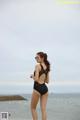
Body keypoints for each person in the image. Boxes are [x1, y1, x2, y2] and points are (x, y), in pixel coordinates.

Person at [30, 52, 50, 120]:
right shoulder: (47, 67)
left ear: (42, 58)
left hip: (37, 88)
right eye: (35, 57)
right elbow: (47, 81)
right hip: (45, 89)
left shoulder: (37, 66)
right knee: (43, 110)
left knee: (33, 108)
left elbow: (36, 79)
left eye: (37, 57)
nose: (36, 59)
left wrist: (32, 76)